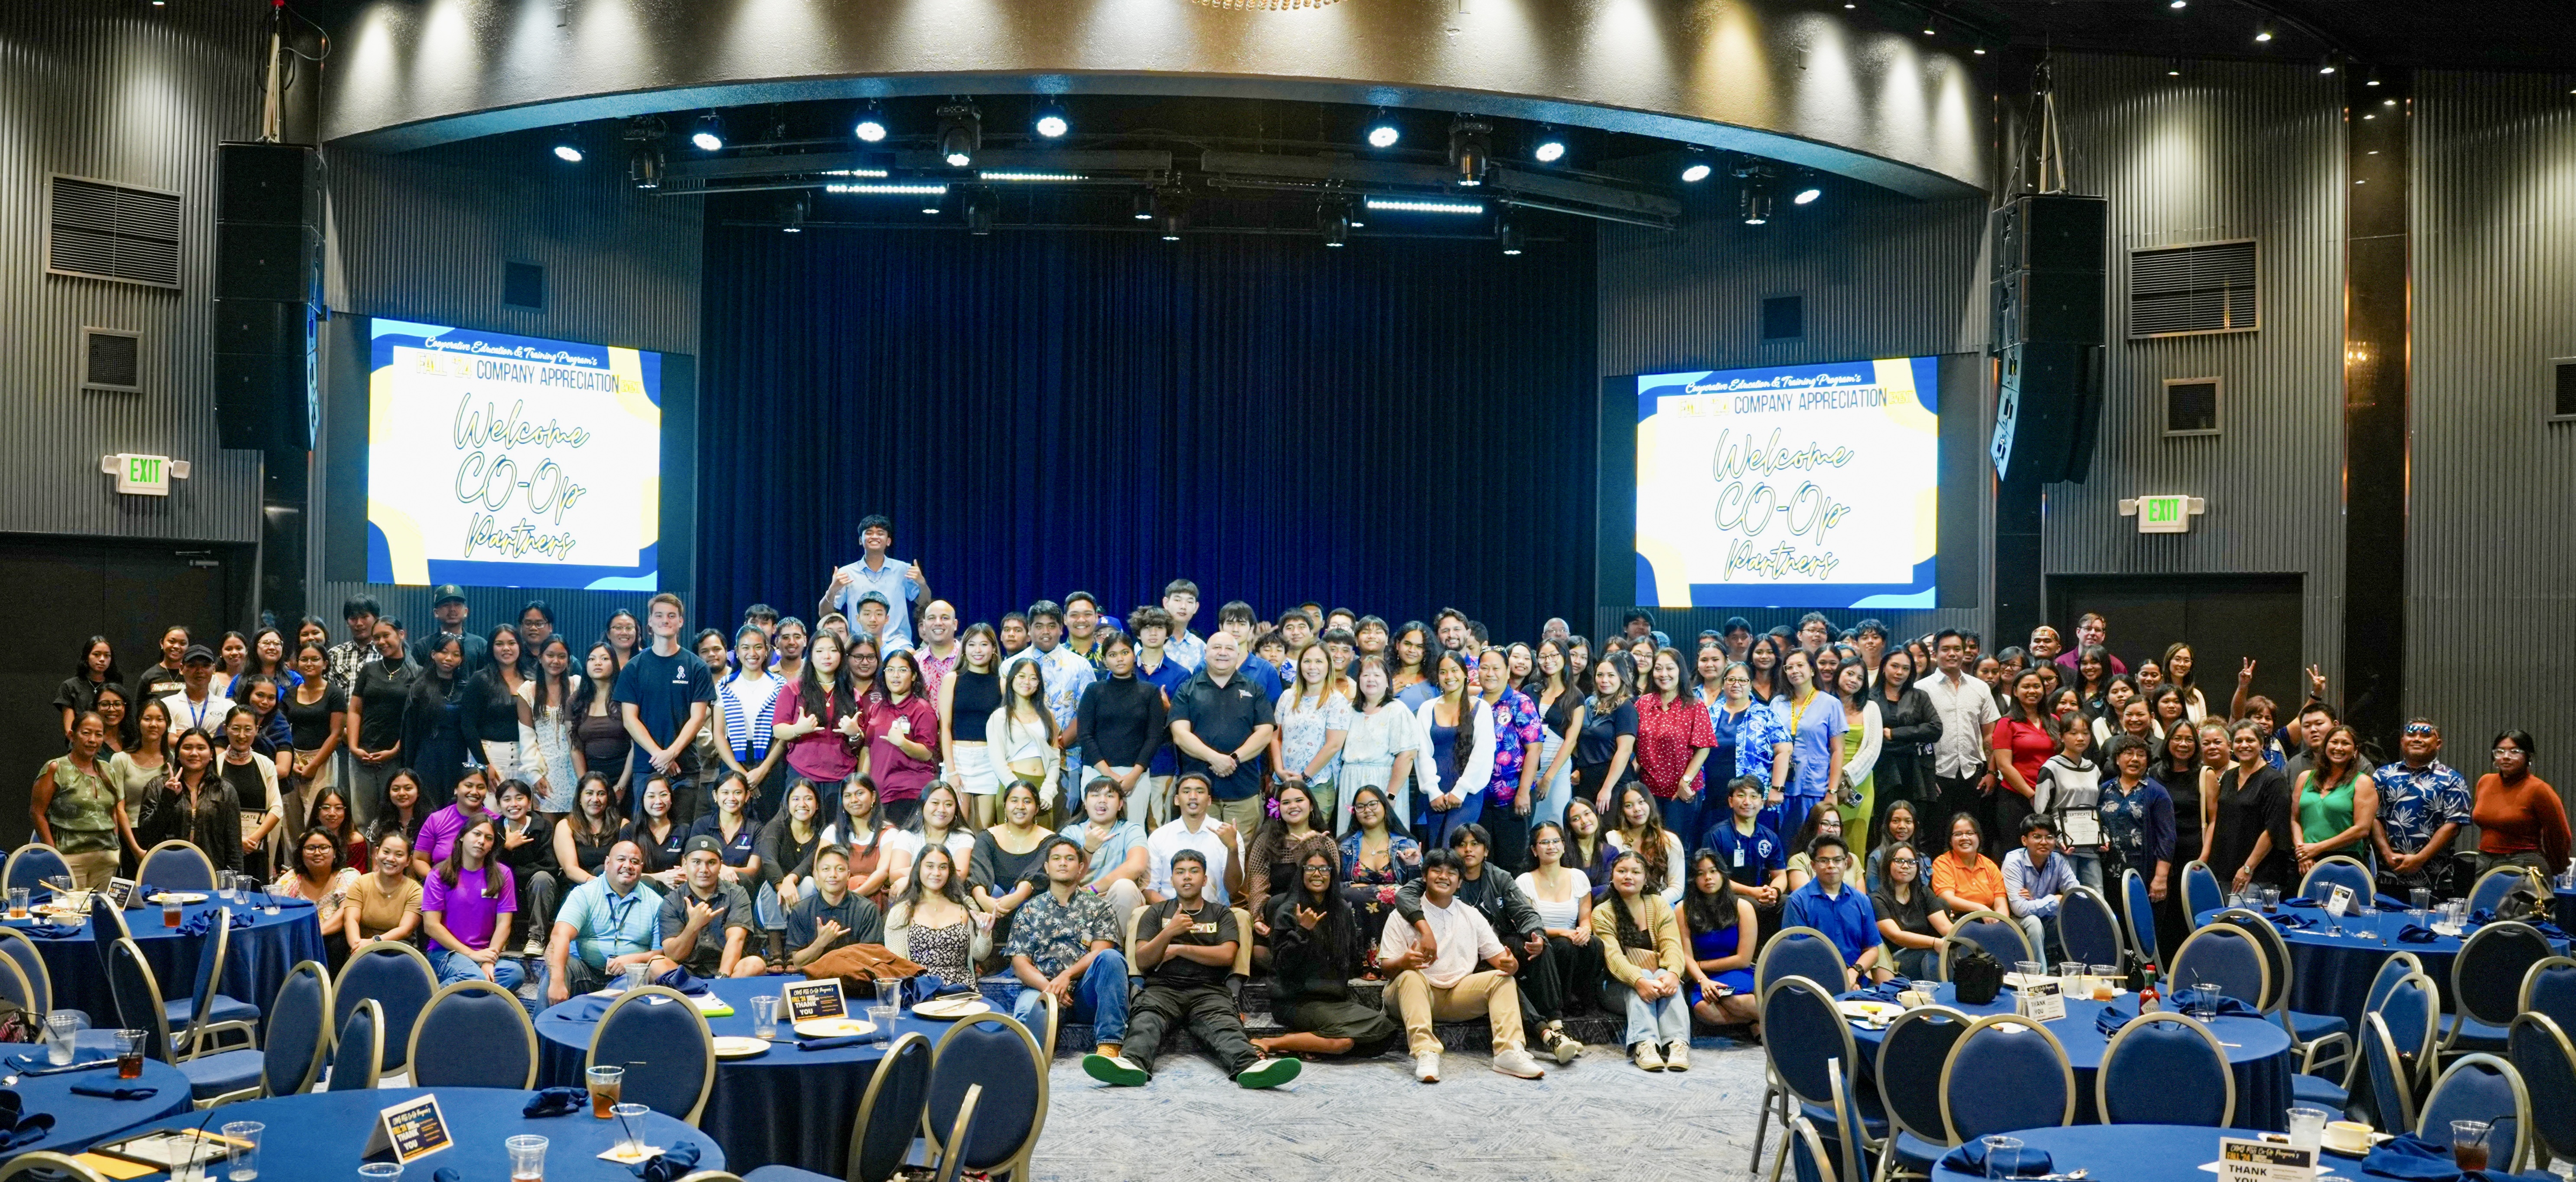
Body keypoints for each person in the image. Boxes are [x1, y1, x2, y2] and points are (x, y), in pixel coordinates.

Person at [1082, 849, 1301, 1090]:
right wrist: (1169, 932)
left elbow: (1226, 956)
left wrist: (1178, 949)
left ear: (1205, 879)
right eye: (1180, 872)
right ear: (1172, 880)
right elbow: (1143, 961)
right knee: (1145, 1021)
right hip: (1162, 989)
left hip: (1209, 991)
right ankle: (1132, 1065)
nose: (1187, 877)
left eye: (1194, 871)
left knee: (1225, 1027)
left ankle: (1251, 1068)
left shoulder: (1221, 914)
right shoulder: (1155, 913)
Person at [1387, 823, 1584, 1063]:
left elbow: (1525, 913)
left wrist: (1537, 936)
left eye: (1475, 844)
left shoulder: (1499, 878)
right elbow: (1403, 896)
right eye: (1461, 845)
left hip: (1493, 943)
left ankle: (1555, 1026)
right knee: (1493, 972)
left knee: (1535, 949)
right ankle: (1544, 1033)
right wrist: (1424, 929)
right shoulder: (1439, 877)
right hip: (1462, 960)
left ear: (1487, 851)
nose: (1468, 850)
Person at [1376, 848, 1549, 1082]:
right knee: (1410, 976)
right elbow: (1386, 968)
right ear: (1425, 876)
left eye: (1451, 873)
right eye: (1437, 871)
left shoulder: (1471, 915)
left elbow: (1501, 960)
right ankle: (1426, 1053)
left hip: (1457, 996)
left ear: (1459, 883)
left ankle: (1509, 1053)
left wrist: (1512, 966)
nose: (1443, 877)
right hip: (1414, 995)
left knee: (1503, 979)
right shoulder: (1402, 915)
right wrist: (1405, 962)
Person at [1254, 849, 1402, 1060]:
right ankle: (1269, 1043)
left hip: (1333, 1000)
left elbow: (1352, 957)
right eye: (1311, 868)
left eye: (1324, 869)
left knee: (1384, 1033)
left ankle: (1309, 1045)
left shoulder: (1341, 909)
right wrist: (1303, 931)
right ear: (1302, 874)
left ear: (1332, 874)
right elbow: (1283, 966)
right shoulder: (1288, 909)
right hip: (1296, 1000)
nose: (1317, 874)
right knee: (1347, 1041)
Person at [1004, 836, 1129, 1058]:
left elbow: (1100, 951)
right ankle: (1026, 1064)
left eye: (1070, 859)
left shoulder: (1099, 907)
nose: (1063, 863)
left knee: (1112, 958)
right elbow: (1020, 964)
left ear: (1081, 868)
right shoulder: (1030, 910)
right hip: (1041, 988)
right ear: (1047, 867)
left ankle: (1109, 1048)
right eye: (1057, 859)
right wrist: (1051, 988)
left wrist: (1067, 976)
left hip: (1085, 992)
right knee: (1026, 1012)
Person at [615, 594, 718, 825]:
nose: (665, 620)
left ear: (681, 621)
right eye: (659, 615)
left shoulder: (697, 667)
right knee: (646, 837)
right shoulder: (634, 668)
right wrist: (660, 756)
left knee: (681, 836)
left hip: (685, 768)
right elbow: (630, 720)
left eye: (672, 616)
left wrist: (671, 753)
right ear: (650, 622)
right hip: (646, 767)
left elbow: (698, 718)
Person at [1167, 632, 1278, 832]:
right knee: (1199, 851)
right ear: (1205, 652)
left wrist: (1233, 759)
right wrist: (1215, 758)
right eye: (1217, 648)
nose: (1223, 653)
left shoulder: (1254, 689)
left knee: (1240, 851)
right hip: (1198, 791)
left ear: (1238, 654)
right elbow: (1180, 735)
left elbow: (1265, 733)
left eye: (1229, 649)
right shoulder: (1187, 690)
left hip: (1243, 790)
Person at [1593, 849, 1693, 1071]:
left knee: (1662, 975)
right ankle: (1645, 1044)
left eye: (1635, 872)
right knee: (1646, 975)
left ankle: (1677, 1044)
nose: (1628, 876)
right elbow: (1614, 958)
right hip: (1616, 987)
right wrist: (1639, 981)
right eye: (1622, 871)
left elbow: (1673, 946)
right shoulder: (1602, 913)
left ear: (1645, 877)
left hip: (1657, 982)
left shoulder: (1658, 905)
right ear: (1612, 876)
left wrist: (1674, 973)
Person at [542, 841, 672, 1003]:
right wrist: (557, 982)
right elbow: (559, 936)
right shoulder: (584, 894)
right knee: (556, 970)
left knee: (636, 981)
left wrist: (636, 959)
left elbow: (662, 953)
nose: (628, 866)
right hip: (583, 969)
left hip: (626, 977)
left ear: (641, 868)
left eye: (635, 862)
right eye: (621, 859)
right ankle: (543, 1027)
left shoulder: (656, 903)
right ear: (607, 864)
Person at [1078, 631, 1170, 832]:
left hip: (1135, 776)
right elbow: (1085, 735)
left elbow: (1154, 737)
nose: (1119, 659)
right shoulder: (1093, 691)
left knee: (1134, 832)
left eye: (1125, 652)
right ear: (1104, 660)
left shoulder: (1150, 692)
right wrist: (1108, 775)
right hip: (1097, 772)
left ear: (1134, 656)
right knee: (1097, 831)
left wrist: (1135, 775)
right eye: (1112, 655)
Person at [2371, 720, 2473, 898]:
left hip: (2435, 880)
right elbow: (2373, 817)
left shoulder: (2452, 780)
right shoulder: (2382, 775)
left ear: (2438, 743)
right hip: (2387, 876)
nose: (2417, 739)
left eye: (2426, 736)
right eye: (2411, 735)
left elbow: (2454, 826)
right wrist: (2387, 854)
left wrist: (2420, 859)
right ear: (2402, 741)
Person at [1921, 630, 2002, 853]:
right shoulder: (1922, 688)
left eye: (1957, 649)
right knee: (1935, 837)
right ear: (1935, 654)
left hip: (1972, 774)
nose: (1952, 654)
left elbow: (1989, 735)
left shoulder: (1980, 687)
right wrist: (1925, 776)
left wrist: (1992, 773)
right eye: (1946, 649)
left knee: (1971, 836)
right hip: (1936, 775)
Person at [422, 815, 525, 990]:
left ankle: (470, 996)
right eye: (476, 834)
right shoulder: (439, 874)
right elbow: (431, 926)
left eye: (489, 838)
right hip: (446, 953)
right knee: (474, 977)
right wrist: (472, 954)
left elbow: (504, 924)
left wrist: (489, 959)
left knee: (514, 973)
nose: (481, 841)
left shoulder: (503, 874)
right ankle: (428, 1001)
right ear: (462, 836)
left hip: (483, 954)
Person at [31, 711, 127, 886]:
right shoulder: (56, 768)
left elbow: (113, 811)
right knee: (72, 912)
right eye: (86, 733)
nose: (93, 740)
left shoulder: (108, 769)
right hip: (70, 858)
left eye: (99, 735)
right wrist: (54, 855)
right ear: (72, 736)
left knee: (102, 911)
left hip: (107, 858)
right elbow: (38, 813)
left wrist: (115, 850)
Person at [1339, 657, 1432, 834]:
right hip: (1350, 782)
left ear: (1388, 682)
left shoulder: (1398, 710)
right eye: (1366, 675)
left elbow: (1407, 756)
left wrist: (1390, 795)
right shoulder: (1349, 710)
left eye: (1377, 675)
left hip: (1383, 784)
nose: (1370, 679)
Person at [1412, 650, 1495, 848]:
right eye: (1443, 672)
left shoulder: (1480, 708)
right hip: (1435, 795)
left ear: (1465, 674)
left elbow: (1483, 753)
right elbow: (1422, 753)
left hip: (1468, 793)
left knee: (1455, 848)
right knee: (1436, 849)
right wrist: (1433, 792)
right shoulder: (1427, 709)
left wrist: (1461, 790)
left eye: (1454, 670)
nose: (1449, 677)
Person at [1272, 641, 1356, 831]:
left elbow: (1334, 745)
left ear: (1329, 666)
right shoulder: (1287, 697)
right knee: (1283, 840)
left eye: (1319, 662)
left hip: (1318, 783)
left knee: (1314, 842)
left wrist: (1304, 777)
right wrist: (1279, 770)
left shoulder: (1336, 701)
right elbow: (1275, 737)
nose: (1312, 667)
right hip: (1285, 782)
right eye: (1307, 661)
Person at [1784, 832, 1885, 985]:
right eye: (1824, 861)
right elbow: (1798, 954)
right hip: (1813, 984)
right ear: (1813, 866)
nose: (1831, 865)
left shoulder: (1862, 901)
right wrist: (1839, 981)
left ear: (1846, 863)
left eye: (1837, 860)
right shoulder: (1798, 901)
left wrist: (1853, 972)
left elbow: (1872, 950)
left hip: (1856, 981)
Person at [660, 835, 766, 978]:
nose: (704, 870)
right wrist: (694, 926)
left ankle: (721, 990)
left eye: (711, 863)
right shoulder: (672, 900)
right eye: (696, 862)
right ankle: (691, 990)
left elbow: (736, 939)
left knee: (756, 965)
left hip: (729, 969)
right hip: (686, 971)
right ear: (685, 864)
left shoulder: (736, 893)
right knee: (658, 964)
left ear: (721, 865)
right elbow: (673, 955)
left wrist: (723, 976)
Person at [711, 624, 787, 824]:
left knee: (770, 821)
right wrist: (742, 774)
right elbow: (718, 735)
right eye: (745, 648)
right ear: (736, 651)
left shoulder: (780, 685)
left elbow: (783, 734)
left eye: (758, 647)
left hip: (770, 761)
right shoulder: (725, 686)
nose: (752, 654)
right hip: (733, 760)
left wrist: (762, 770)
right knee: (733, 820)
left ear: (767, 650)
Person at [816, 515, 929, 648]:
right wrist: (832, 590)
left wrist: (922, 584)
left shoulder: (903, 569)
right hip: (859, 644)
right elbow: (825, 615)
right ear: (860, 540)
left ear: (888, 541)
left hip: (898, 643)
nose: (874, 537)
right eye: (869, 533)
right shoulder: (846, 572)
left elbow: (924, 604)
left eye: (880, 533)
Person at [885, 847, 990, 984]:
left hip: (961, 989)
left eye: (943, 867)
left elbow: (980, 955)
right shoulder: (901, 912)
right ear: (919, 869)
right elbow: (898, 966)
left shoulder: (967, 905)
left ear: (950, 871)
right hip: (920, 990)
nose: (937, 873)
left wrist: (985, 933)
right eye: (930, 866)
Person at [1058, 774, 1150, 930]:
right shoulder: (1071, 833)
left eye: (1110, 796)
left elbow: (1137, 866)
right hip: (1077, 898)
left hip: (1116, 899)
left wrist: (1094, 890)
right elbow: (1063, 874)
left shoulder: (1132, 831)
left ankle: (1113, 949)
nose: (1102, 800)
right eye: (1095, 795)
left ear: (1120, 804)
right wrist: (1089, 849)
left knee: (1125, 888)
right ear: (1086, 803)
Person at [2215, 721, 2298, 893]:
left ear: (2261, 745)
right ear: (2232, 746)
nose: (2244, 745)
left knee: (2242, 920)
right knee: (2222, 920)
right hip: (2225, 871)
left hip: (2258, 875)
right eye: (2239, 741)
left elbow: (2273, 830)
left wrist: (2248, 868)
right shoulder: (2229, 777)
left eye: (2250, 740)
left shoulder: (2275, 781)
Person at [980, 659, 1060, 831]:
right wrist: (1018, 792)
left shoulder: (1048, 716)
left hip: (1042, 788)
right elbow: (997, 761)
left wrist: (1048, 790)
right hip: (1013, 785)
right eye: (1022, 676)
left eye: (1033, 678)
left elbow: (1054, 760)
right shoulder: (1000, 717)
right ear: (1011, 680)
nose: (1027, 682)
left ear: (1039, 684)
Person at [2472, 730, 2567, 875]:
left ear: (2528, 756)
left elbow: (2559, 834)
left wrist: (2557, 867)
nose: (2506, 757)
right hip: (2484, 862)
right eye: (2500, 751)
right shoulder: (2485, 782)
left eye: (2515, 752)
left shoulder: (2539, 789)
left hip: (2523, 864)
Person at [970, 781, 1053, 947]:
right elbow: (978, 870)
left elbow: (1038, 872)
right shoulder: (987, 837)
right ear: (1005, 806)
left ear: (1037, 808)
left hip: (1031, 904)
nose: (1020, 806)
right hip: (991, 904)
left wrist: (1017, 897)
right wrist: (983, 898)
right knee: (990, 891)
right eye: (1014, 801)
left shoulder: (1051, 840)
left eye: (1027, 801)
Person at [937, 624, 1005, 826]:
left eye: (984, 644)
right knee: (959, 826)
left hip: (989, 760)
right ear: (964, 649)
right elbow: (945, 728)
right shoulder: (953, 679)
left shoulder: (1002, 683)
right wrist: (952, 771)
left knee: (985, 829)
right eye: (972, 644)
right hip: (958, 757)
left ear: (993, 649)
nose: (978, 650)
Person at [1242, 781, 1337, 926]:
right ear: (1278, 808)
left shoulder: (1326, 842)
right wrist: (1258, 918)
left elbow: (1329, 886)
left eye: (1299, 801)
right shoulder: (1266, 841)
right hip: (1274, 913)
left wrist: (1309, 848)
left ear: (1311, 805)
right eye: (1286, 803)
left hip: (1317, 912)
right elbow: (1258, 885)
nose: (1293, 806)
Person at [2292, 724, 2379, 878]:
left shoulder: (2363, 782)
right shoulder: (2305, 778)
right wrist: (2303, 853)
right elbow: (2295, 820)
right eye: (2334, 742)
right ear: (2325, 747)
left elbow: (2362, 829)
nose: (2339, 748)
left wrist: (2318, 848)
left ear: (2355, 751)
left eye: (2345, 743)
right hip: (2306, 861)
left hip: (2345, 863)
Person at [1146, 774, 1243, 906]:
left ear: (1209, 800)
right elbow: (1149, 888)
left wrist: (1233, 848)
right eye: (1186, 792)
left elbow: (1233, 889)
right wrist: (1173, 912)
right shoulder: (1159, 837)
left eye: (1200, 792)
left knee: (1242, 917)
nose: (1193, 796)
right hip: (1170, 914)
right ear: (1177, 800)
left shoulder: (1229, 835)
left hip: (1215, 915)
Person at [782, 845, 884, 971]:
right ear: (816, 875)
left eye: (840, 869)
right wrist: (821, 943)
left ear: (848, 875)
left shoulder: (867, 909)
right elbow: (798, 963)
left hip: (855, 981)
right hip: (815, 981)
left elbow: (872, 958)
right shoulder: (801, 910)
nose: (833, 875)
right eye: (826, 869)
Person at [401, 634, 472, 811]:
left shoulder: (467, 688)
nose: (449, 658)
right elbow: (410, 733)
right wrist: (407, 768)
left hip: (458, 756)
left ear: (462, 660)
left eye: (456, 654)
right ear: (433, 654)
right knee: (427, 806)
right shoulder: (419, 688)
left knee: (457, 806)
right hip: (427, 756)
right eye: (444, 652)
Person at [214, 706, 286, 878]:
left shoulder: (266, 764)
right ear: (226, 729)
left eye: (248, 729)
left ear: (257, 730)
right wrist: (237, 842)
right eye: (236, 729)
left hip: (257, 847)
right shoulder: (214, 765)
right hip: (223, 848)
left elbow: (276, 808)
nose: (242, 735)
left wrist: (253, 840)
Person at [492, 778, 561, 955]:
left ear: (529, 802)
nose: (514, 804)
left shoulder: (543, 827)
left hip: (537, 893)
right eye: (507, 800)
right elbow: (487, 866)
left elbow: (550, 866)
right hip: (505, 891)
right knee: (492, 875)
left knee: (542, 878)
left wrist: (515, 873)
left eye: (519, 798)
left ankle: (537, 937)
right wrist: (507, 848)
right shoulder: (493, 829)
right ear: (499, 805)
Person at [275, 827, 359, 968]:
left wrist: (313, 933)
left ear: (335, 853)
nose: (317, 852)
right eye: (310, 848)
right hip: (293, 940)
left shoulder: (347, 876)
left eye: (324, 848)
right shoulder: (292, 878)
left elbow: (346, 912)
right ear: (301, 854)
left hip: (330, 945)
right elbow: (272, 905)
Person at [2035, 719, 2104, 891]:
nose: (2080, 738)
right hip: (2063, 846)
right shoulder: (2051, 768)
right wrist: (2057, 838)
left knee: (2096, 896)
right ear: (2062, 737)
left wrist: (2104, 836)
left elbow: (2099, 808)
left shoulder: (2094, 769)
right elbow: (2041, 811)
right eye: (2074, 733)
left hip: (2091, 844)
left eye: (2086, 733)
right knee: (2067, 897)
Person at [1870, 842, 1950, 980]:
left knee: (1951, 947)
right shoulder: (1876, 898)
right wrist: (1935, 943)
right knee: (1933, 955)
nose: (1906, 866)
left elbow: (1945, 928)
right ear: (1888, 864)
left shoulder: (1924, 893)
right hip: (1896, 960)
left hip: (1926, 950)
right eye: (1899, 861)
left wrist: (1962, 941)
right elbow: (1896, 936)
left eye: (1911, 862)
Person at [463, 627, 528, 785]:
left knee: (520, 809)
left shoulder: (531, 679)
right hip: (489, 754)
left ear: (520, 645)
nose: (506, 648)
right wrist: (484, 764)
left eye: (512, 643)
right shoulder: (480, 680)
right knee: (489, 809)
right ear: (491, 648)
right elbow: (468, 725)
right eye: (499, 644)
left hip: (525, 758)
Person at [1605, 782, 1687, 906]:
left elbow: (1677, 888)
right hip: (1621, 904)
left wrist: (1645, 905)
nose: (1637, 809)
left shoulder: (1670, 841)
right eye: (1629, 805)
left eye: (1641, 802)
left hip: (1659, 903)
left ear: (1650, 803)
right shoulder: (1611, 838)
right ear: (1623, 811)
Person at [345, 829, 424, 948]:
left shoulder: (416, 891)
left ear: (408, 860)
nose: (391, 859)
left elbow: (405, 930)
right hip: (359, 945)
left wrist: (373, 943)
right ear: (377, 853)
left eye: (399, 855)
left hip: (396, 948)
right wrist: (357, 946)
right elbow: (351, 920)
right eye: (386, 852)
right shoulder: (360, 883)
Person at [413, 765, 495, 875]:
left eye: (481, 787)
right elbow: (419, 859)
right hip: (442, 886)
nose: (475, 792)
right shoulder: (437, 819)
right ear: (456, 789)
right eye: (469, 786)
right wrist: (437, 883)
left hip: (483, 888)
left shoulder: (495, 822)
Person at [1930, 810, 2009, 919]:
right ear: (1950, 841)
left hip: (1989, 918)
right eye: (1958, 834)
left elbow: (2001, 904)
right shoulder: (1943, 863)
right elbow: (1947, 899)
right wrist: (1982, 909)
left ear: (1979, 837)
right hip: (1958, 920)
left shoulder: (1989, 865)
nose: (1964, 838)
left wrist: (2000, 921)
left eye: (1970, 833)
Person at [554, 773, 623, 890]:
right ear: (580, 798)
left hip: (615, 889)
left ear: (608, 798)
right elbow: (570, 869)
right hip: (577, 888)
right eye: (589, 793)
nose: (595, 799)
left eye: (601, 794)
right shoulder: (566, 826)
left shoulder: (623, 825)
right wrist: (599, 885)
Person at [623, 777, 687, 890]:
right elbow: (623, 872)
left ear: (671, 798)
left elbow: (688, 868)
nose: (659, 801)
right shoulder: (630, 831)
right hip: (638, 891)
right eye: (651, 796)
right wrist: (660, 877)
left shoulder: (683, 830)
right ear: (642, 800)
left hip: (674, 892)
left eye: (663, 795)